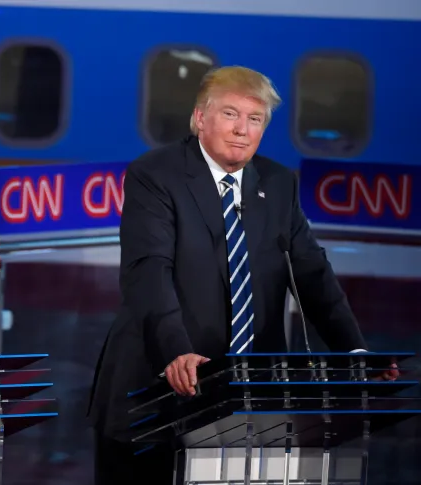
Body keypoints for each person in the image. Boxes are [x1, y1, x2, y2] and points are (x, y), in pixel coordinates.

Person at [87, 66, 399, 485]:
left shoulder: (276, 183)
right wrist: (175, 351)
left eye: (255, 120)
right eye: (230, 114)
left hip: (251, 400)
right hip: (158, 392)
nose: (242, 130)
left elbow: (312, 274)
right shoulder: (155, 175)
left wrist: (355, 352)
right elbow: (149, 272)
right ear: (201, 118)